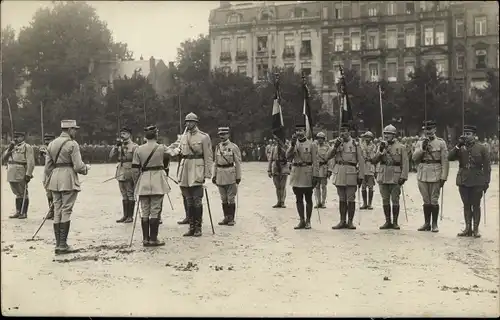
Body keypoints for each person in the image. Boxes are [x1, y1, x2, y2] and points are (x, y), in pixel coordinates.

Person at [44, 120, 90, 254]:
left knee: (57, 209)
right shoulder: (72, 144)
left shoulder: (51, 144)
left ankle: (58, 244)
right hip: (68, 178)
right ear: (69, 130)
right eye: (74, 129)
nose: (75, 132)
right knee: (66, 210)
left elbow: (47, 168)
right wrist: (86, 168)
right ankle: (63, 245)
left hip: (55, 179)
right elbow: (78, 166)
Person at [168, 112, 213, 237]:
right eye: (187, 122)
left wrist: (208, 176)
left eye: (191, 121)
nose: (188, 124)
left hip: (197, 168)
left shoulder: (204, 137)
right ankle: (191, 227)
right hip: (185, 169)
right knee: (189, 201)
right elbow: (170, 149)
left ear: (196, 123)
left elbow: (208, 157)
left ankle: (198, 228)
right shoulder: (183, 137)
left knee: (197, 200)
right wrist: (173, 151)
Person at [448, 125, 491, 238]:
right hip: (463, 180)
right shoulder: (460, 147)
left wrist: (486, 182)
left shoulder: (482, 148)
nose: (466, 136)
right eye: (465, 134)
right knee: (466, 205)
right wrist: (458, 145)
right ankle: (467, 228)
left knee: (476, 205)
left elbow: (487, 167)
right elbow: (449, 157)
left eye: (469, 134)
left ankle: (475, 229)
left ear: (474, 135)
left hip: (477, 180)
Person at [132, 125, 171, 247]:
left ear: (145, 137)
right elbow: (174, 153)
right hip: (157, 181)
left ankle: (145, 239)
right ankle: (153, 239)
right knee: (155, 210)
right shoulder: (162, 148)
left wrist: (137, 182)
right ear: (156, 135)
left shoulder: (138, 149)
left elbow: (135, 169)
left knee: (145, 211)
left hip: (143, 180)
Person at [412, 120, 449, 233]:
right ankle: (426, 223)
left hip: (435, 172)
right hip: (423, 173)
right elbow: (414, 158)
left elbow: (445, 161)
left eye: (430, 129)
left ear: (435, 129)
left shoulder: (441, 143)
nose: (428, 131)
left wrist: (444, 177)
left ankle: (434, 224)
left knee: (434, 200)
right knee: (426, 200)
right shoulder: (420, 142)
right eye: (426, 129)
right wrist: (422, 148)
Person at [371, 125, 409, 229]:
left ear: (394, 135)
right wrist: (380, 151)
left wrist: (403, 176)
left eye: (389, 134)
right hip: (383, 174)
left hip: (395, 175)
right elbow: (373, 161)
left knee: (395, 199)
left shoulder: (401, 147)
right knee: (385, 199)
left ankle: (395, 222)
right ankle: (387, 221)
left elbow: (405, 163)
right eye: (385, 133)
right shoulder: (380, 146)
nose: (386, 135)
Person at [328, 123, 364, 230]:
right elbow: (328, 156)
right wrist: (335, 147)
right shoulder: (336, 143)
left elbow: (361, 160)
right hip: (340, 172)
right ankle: (342, 221)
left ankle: (350, 222)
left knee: (350, 198)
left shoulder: (355, 143)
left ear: (349, 131)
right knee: (342, 198)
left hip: (351, 172)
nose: (343, 133)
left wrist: (361, 175)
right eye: (341, 131)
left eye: (345, 131)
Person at [285, 123, 320, 229]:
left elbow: (316, 161)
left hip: (307, 173)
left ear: (305, 131)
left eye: (301, 130)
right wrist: (291, 145)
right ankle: (301, 220)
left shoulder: (311, 144)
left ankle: (308, 221)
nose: (299, 133)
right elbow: (287, 156)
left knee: (308, 198)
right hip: (296, 173)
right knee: (298, 198)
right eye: (297, 131)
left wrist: (316, 175)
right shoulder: (293, 144)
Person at [212, 127, 242, 226]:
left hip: (230, 174)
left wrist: (238, 176)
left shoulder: (233, 147)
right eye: (220, 134)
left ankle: (231, 218)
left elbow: (237, 163)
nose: (222, 136)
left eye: (224, 134)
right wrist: (214, 175)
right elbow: (215, 162)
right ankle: (226, 217)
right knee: (223, 198)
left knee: (231, 198)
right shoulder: (217, 147)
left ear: (228, 135)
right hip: (220, 174)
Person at [2, 131, 35, 219]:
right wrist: (10, 148)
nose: (16, 139)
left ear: (23, 137)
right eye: (15, 137)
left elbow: (31, 161)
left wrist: (28, 174)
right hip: (11, 172)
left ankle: (24, 212)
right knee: (17, 193)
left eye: (18, 137)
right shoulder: (12, 147)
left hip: (20, 171)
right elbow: (3, 158)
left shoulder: (26, 147)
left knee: (23, 192)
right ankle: (18, 211)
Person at [109, 127, 139, 223]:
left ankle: (130, 216)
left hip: (129, 170)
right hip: (120, 171)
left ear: (129, 135)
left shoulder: (134, 146)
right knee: (124, 194)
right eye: (121, 133)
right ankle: (125, 215)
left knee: (130, 193)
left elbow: (138, 160)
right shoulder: (119, 145)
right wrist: (115, 147)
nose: (122, 135)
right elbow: (111, 156)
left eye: (124, 133)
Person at [268, 137, 290, 208]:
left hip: (283, 166)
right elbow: (270, 159)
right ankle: (278, 201)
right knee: (277, 186)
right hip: (275, 167)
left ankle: (282, 201)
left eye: (279, 140)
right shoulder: (274, 148)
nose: (278, 142)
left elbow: (289, 156)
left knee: (283, 186)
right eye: (277, 141)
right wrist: (269, 170)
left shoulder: (286, 148)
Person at [40, 133, 56, 219]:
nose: (47, 142)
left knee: (55, 193)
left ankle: (56, 212)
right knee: (48, 194)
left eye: (49, 140)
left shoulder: (56, 149)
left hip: (54, 172)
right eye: (46, 140)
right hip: (46, 173)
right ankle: (51, 211)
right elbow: (42, 162)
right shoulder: (45, 149)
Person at [359, 131, 377, 210]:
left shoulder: (374, 146)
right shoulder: (361, 145)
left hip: (370, 168)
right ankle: (364, 203)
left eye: (369, 137)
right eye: (366, 137)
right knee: (363, 187)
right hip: (363, 168)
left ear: (371, 138)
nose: (367, 139)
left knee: (370, 187)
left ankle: (370, 204)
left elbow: (375, 158)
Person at [314, 132, 331, 209]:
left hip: (323, 167)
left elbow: (330, 159)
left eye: (321, 138)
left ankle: (323, 202)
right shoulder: (314, 146)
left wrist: (329, 170)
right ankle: (318, 202)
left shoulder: (327, 147)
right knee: (316, 186)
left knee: (323, 186)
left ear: (324, 139)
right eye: (318, 138)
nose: (319, 140)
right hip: (316, 168)